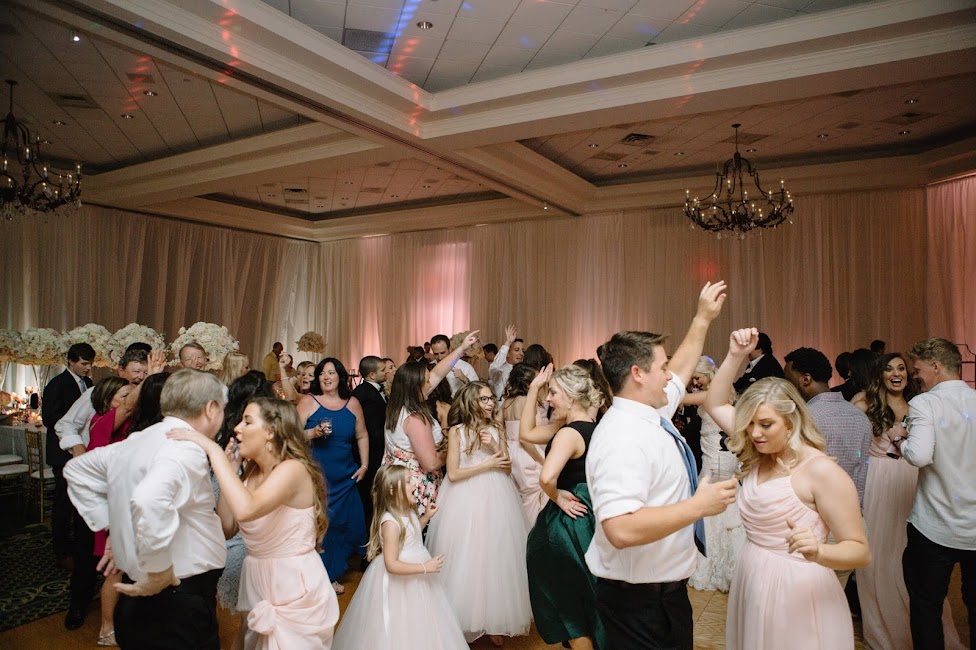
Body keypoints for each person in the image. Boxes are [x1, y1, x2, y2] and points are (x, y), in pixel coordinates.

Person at [585, 281, 735, 650]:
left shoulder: (649, 411)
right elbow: (620, 528)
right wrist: (698, 506)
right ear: (638, 373)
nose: (670, 375)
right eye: (662, 367)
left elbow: (681, 372)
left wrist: (702, 319)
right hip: (637, 602)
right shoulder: (622, 437)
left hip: (664, 595)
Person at [704, 329, 870, 650]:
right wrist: (736, 355)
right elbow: (714, 403)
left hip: (797, 590)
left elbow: (860, 551)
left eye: (766, 424)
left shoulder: (822, 471)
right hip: (753, 577)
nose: (755, 433)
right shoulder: (760, 451)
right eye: (749, 424)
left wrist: (820, 551)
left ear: (791, 421)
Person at [63, 369, 228, 650]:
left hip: (142, 597)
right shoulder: (185, 447)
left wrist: (115, 526)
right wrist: (159, 568)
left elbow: (77, 470)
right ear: (211, 408)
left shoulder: (140, 438)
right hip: (178, 600)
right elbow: (149, 499)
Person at [168, 398, 339, 650]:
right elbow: (227, 527)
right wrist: (232, 469)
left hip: (292, 582)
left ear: (271, 431)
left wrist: (214, 452)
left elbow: (247, 510)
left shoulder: (293, 469)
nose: (237, 428)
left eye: (247, 422)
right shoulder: (251, 471)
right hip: (257, 579)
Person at [853, 352, 964, 650]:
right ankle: (885, 630)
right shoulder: (865, 404)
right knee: (879, 556)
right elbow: (855, 448)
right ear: (880, 375)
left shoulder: (920, 403)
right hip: (880, 483)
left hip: (914, 479)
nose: (896, 373)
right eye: (889, 369)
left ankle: (922, 632)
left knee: (915, 557)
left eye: (902, 368)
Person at [425, 382, 532, 645]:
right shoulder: (458, 431)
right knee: (467, 555)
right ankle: (461, 618)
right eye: (484, 399)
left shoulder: (497, 428)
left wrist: (494, 447)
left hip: (497, 497)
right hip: (464, 498)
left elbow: (507, 468)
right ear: (471, 402)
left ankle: (494, 620)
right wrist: (486, 464)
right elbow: (453, 473)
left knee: (495, 556)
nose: (490, 403)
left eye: (491, 398)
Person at [894, 338, 976, 650]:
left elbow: (918, 455)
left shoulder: (925, 403)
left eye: (918, 370)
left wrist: (899, 441)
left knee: (926, 607)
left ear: (937, 367)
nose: (915, 376)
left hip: (934, 527)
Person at [332, 464, 467, 650]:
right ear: (392, 489)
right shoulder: (390, 523)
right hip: (401, 578)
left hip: (416, 574)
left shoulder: (408, 511)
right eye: (409, 481)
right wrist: (425, 567)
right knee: (400, 622)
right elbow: (392, 565)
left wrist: (426, 517)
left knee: (420, 619)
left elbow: (410, 533)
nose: (415, 484)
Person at [522, 364, 607, 650]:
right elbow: (526, 433)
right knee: (588, 600)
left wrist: (556, 496)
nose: (549, 399)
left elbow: (547, 477)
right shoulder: (596, 429)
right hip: (592, 519)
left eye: (553, 393)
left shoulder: (568, 435)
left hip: (567, 526)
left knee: (570, 609)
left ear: (571, 397)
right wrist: (534, 388)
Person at [383, 331, 480, 517]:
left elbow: (437, 373)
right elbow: (430, 462)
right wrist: (454, 448)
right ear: (415, 386)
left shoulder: (398, 405)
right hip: (416, 487)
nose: (431, 384)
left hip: (397, 481)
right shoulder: (414, 419)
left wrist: (461, 349)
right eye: (426, 382)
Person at [296, 358, 369, 594]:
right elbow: (290, 435)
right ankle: (318, 577)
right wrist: (312, 433)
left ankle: (332, 572)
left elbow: (362, 435)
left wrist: (364, 464)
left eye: (331, 373)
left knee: (345, 525)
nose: (326, 377)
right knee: (321, 527)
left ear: (340, 376)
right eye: (322, 373)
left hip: (346, 475)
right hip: (317, 476)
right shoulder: (308, 401)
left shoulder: (353, 403)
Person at [784, 347, 872, 512]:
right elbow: (862, 470)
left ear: (806, 379)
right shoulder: (859, 416)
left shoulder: (803, 418)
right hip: (849, 511)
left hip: (810, 513)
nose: (786, 388)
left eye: (788, 381)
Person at [686, 356, 745, 593]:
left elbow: (677, 397)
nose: (694, 383)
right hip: (726, 458)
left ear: (709, 375)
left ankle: (711, 566)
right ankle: (732, 566)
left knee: (710, 508)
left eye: (697, 377)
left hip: (714, 460)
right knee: (728, 506)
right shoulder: (726, 394)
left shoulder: (709, 395)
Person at [42, 343, 95, 579]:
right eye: (84, 363)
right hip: (62, 452)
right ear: (71, 362)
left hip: (83, 451)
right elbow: (49, 418)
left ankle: (79, 547)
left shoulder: (89, 384)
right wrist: (74, 424)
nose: (88, 368)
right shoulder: (57, 384)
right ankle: (61, 551)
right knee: (63, 503)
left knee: (79, 503)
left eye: (90, 363)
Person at [501, 363, 549, 528]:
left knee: (519, 498)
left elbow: (498, 426)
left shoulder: (507, 402)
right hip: (526, 453)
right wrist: (542, 460)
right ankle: (530, 533)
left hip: (511, 451)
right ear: (529, 384)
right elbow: (525, 440)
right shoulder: (527, 402)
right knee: (533, 497)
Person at [351, 355, 389, 533]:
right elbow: (368, 428)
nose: (386, 372)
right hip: (371, 452)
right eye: (383, 370)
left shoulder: (374, 390)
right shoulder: (363, 394)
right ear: (372, 375)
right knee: (368, 495)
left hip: (377, 450)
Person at [488, 325, 525, 399]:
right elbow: (495, 367)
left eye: (523, 350)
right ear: (507, 353)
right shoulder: (500, 371)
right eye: (517, 350)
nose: (521, 353)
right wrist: (508, 343)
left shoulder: (524, 371)